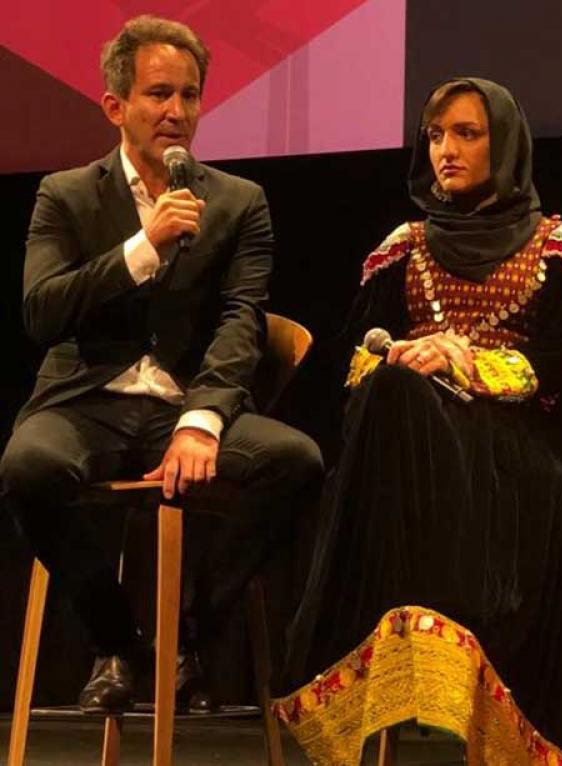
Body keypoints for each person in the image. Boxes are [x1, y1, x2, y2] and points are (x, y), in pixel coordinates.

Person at [0, 15, 323, 715]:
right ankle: (119, 640)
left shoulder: (239, 203)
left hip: (183, 404)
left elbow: (243, 320)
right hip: (86, 402)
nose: (175, 112)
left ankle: (189, 639)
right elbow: (42, 313)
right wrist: (141, 248)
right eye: (157, 94)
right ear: (116, 106)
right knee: (28, 469)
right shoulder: (66, 194)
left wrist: (203, 421)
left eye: (189, 95)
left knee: (295, 461)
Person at [280, 78, 562, 764]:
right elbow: (354, 363)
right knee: (392, 393)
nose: (445, 151)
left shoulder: (557, 243)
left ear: (505, 144)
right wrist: (399, 354)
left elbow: (547, 365)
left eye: (465, 134)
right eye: (434, 136)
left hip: (510, 450)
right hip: (407, 444)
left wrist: (459, 360)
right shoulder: (405, 243)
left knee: (398, 404)